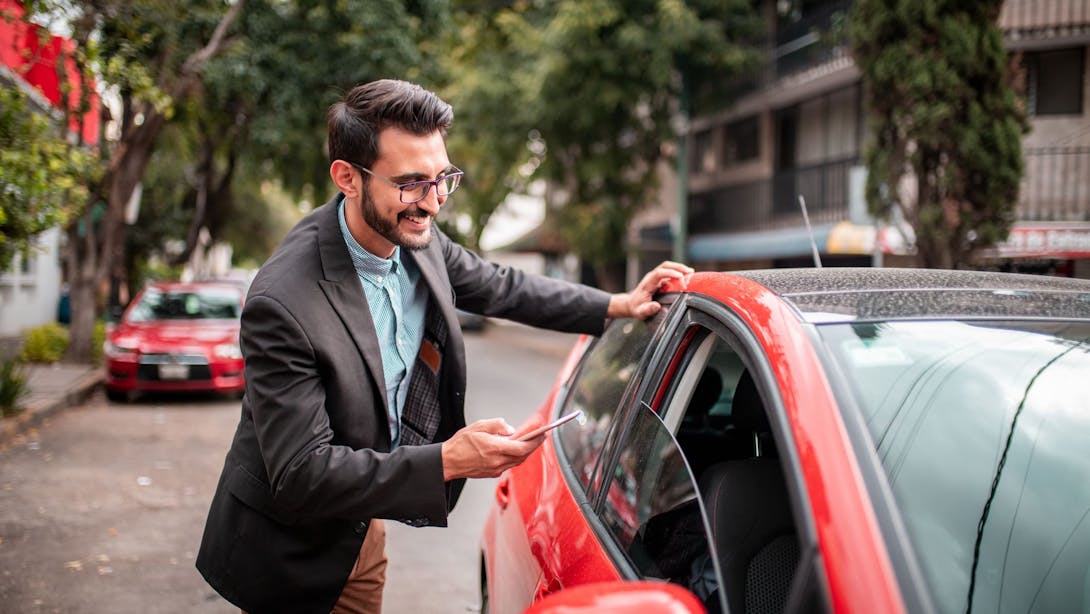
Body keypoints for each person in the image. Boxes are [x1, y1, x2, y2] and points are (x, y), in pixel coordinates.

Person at [196, 78, 693, 614]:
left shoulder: (415, 236)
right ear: (347, 178)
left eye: (442, 180)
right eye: (411, 184)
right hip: (287, 553)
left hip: (362, 531)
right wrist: (447, 461)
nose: (433, 203)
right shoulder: (283, 302)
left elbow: (502, 286)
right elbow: (301, 474)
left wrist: (617, 304)